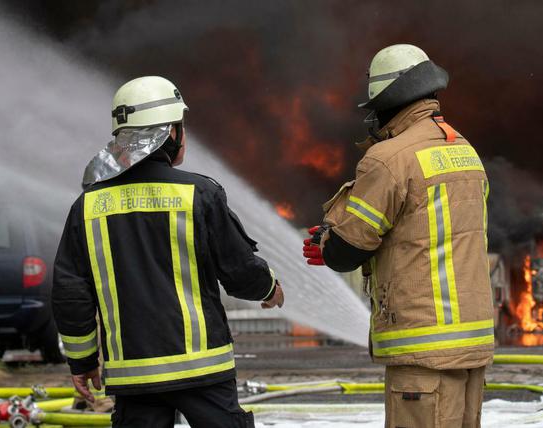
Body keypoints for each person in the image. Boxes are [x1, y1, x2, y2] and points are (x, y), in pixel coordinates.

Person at [52, 76, 285, 428]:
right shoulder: (199, 194)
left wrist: (82, 361)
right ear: (171, 133)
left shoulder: (87, 206)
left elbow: (70, 293)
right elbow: (238, 268)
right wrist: (268, 288)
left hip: (134, 376)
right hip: (202, 369)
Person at [303, 44, 493, 428]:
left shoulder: (388, 158)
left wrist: (328, 240)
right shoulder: (466, 152)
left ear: (389, 100)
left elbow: (347, 251)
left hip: (423, 350)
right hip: (471, 345)